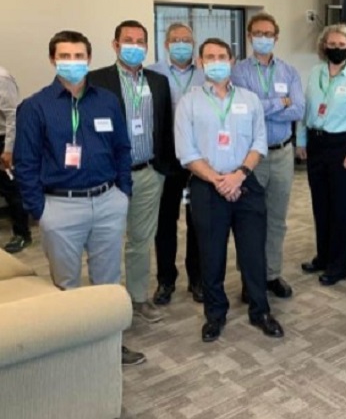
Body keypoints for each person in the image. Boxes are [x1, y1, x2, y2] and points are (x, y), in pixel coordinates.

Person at [14, 30, 145, 366]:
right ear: (52, 59)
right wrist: (40, 211)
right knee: (66, 284)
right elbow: (25, 164)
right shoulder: (35, 107)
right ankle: (72, 352)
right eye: (65, 56)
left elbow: (122, 149)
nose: (72, 63)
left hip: (108, 201)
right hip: (60, 206)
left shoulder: (107, 101)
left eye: (79, 56)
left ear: (89, 59)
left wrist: (123, 193)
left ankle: (109, 345)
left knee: (108, 281)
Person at [175, 37, 284, 342]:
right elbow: (186, 151)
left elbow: (259, 142)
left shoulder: (249, 99)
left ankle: (260, 311)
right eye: (209, 57)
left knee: (253, 252)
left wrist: (239, 176)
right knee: (212, 255)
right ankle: (215, 314)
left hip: (245, 182)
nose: (216, 62)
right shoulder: (189, 102)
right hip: (207, 186)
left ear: (232, 61)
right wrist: (218, 180)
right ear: (200, 63)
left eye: (222, 56)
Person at [89, 20, 174, 324]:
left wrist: (163, 170)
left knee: (141, 241)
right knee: (106, 243)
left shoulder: (158, 82)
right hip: (110, 178)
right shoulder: (96, 81)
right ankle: (106, 304)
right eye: (128, 40)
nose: (134, 46)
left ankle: (138, 298)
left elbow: (165, 127)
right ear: (115, 45)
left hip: (149, 173)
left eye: (140, 41)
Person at [231, 12, 304, 301]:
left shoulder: (289, 71)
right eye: (258, 33)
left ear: (276, 37)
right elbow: (243, 110)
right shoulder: (238, 72)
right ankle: (250, 278)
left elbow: (298, 109)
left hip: (283, 153)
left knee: (277, 219)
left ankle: (272, 274)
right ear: (250, 37)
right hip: (252, 157)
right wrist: (280, 102)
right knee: (249, 220)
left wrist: (263, 105)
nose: (263, 38)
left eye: (268, 34)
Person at [296, 24, 346, 285]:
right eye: (332, 44)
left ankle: (339, 265)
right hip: (317, 143)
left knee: (341, 208)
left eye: (341, 45)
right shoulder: (316, 72)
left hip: (344, 146)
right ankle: (323, 257)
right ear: (323, 46)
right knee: (321, 204)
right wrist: (301, 140)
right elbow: (305, 109)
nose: (336, 48)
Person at [147, 23, 206, 305]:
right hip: (167, 158)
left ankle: (197, 278)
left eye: (186, 40)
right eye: (175, 39)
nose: (181, 44)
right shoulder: (152, 73)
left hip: (198, 158)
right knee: (165, 222)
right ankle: (166, 280)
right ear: (166, 43)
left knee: (198, 221)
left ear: (193, 44)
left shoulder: (205, 73)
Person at [0, 65, 32, 253]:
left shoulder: (2, 79)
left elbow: (12, 117)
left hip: (5, 140)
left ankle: (22, 234)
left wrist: (8, 150)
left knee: (12, 190)